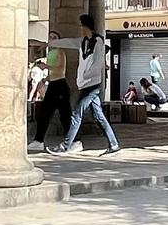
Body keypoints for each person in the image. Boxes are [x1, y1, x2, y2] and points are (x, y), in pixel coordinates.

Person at [49, 14, 120, 156]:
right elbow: (68, 42)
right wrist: (48, 43)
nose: (80, 29)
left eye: (81, 26)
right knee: (98, 116)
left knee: (76, 114)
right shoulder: (82, 41)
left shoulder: (98, 41)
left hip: (91, 85)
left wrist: (85, 77)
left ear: (86, 26)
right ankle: (114, 145)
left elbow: (99, 63)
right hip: (86, 84)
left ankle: (65, 146)